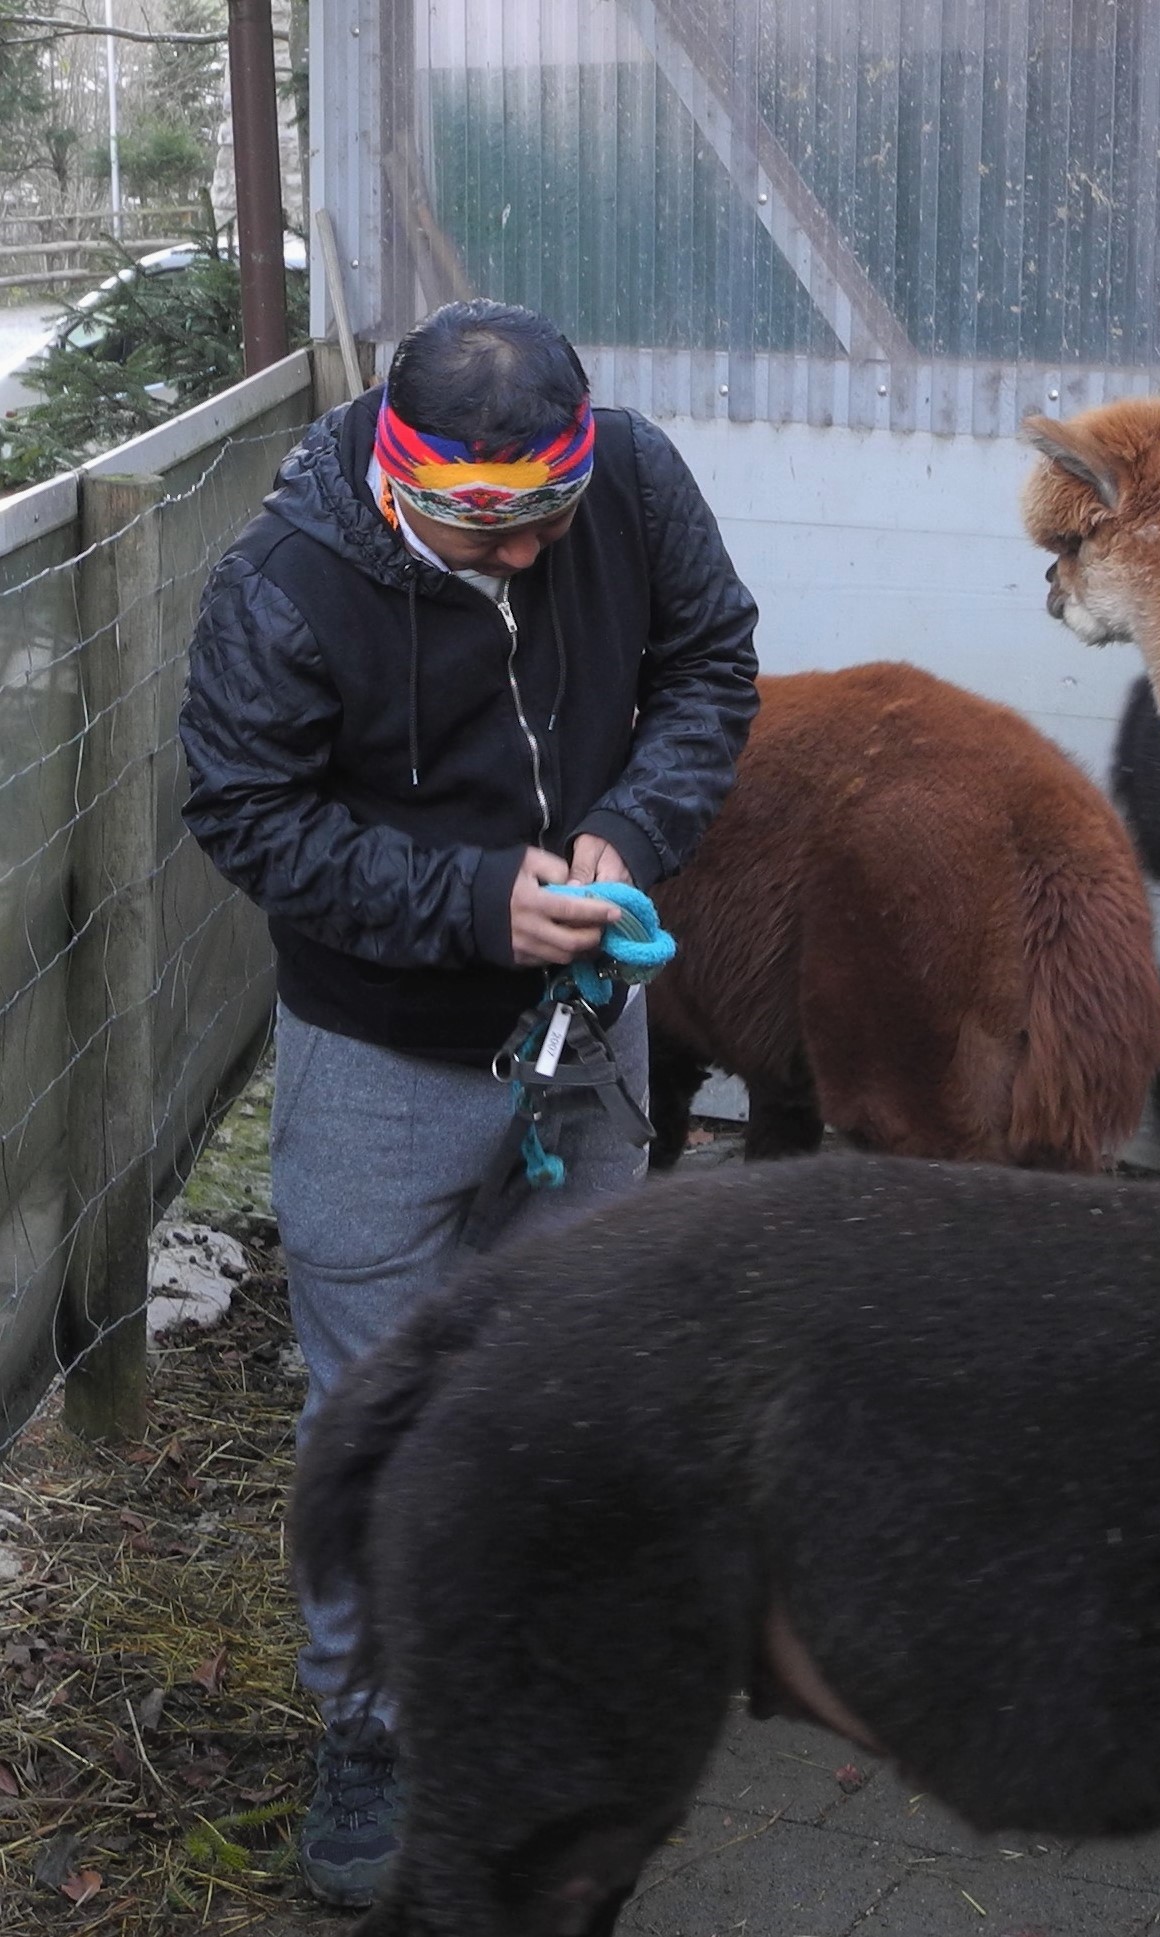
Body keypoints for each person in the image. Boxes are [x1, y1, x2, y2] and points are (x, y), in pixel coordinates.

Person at [179, 299, 760, 1905]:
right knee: (377, 1407)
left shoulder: (633, 482)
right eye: (467, 530)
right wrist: (465, 908)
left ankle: (547, 1675)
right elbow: (241, 807)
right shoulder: (287, 587)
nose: (512, 561)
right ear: (394, 473)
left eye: (541, 527)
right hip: (380, 1055)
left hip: (585, 1025)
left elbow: (711, 660)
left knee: (580, 1371)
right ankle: (371, 1724)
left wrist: (634, 825)